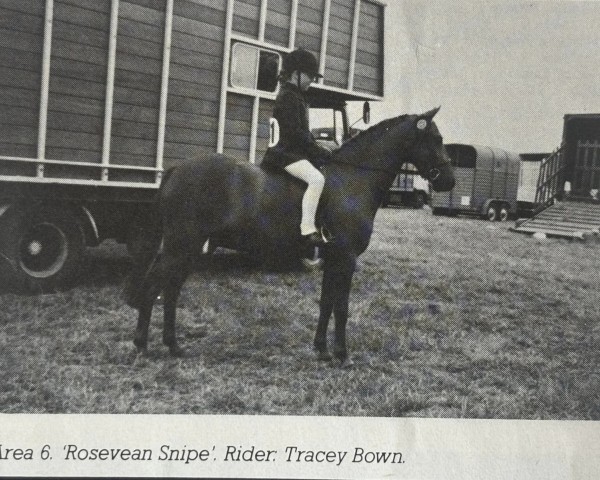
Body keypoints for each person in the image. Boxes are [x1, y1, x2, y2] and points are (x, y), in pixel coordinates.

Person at [262, 48, 332, 246]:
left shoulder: (294, 95)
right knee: (317, 180)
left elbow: (302, 134)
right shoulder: (289, 97)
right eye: (310, 76)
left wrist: (318, 148)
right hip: (284, 155)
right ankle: (307, 229)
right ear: (296, 74)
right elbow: (296, 135)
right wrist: (319, 151)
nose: (312, 80)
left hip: (288, 152)